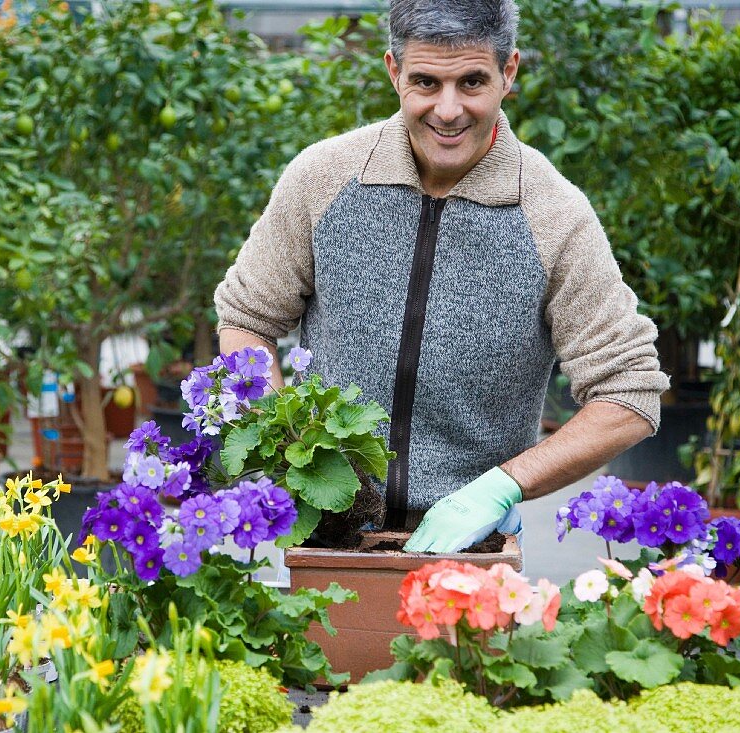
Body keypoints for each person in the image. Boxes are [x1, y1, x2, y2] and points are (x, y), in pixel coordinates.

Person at [213, 0, 669, 553]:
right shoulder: (324, 178)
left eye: (472, 81)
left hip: (471, 547)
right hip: (324, 536)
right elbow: (246, 320)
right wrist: (288, 454)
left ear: (509, 72)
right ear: (393, 71)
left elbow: (630, 391)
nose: (448, 110)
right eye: (426, 82)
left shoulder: (553, 215)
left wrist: (503, 487)